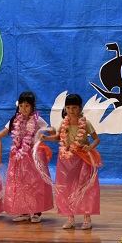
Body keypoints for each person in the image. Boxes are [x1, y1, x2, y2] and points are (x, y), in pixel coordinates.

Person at [0, 91, 53, 223]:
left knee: (35, 183)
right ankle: (24, 211)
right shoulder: (15, 119)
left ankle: (37, 211)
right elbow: (5, 131)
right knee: (21, 183)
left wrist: (52, 132)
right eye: (21, 106)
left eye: (26, 106)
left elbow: (48, 129)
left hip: (34, 155)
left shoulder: (37, 120)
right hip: (19, 156)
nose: (23, 109)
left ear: (33, 105)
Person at [44, 93, 101, 229]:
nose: (71, 111)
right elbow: (58, 137)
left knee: (84, 187)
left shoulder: (85, 123)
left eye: (74, 107)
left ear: (80, 107)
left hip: (82, 159)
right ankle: (70, 218)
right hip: (66, 160)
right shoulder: (64, 123)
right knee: (67, 188)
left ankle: (87, 218)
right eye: (68, 108)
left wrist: (90, 147)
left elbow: (96, 139)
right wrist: (46, 138)